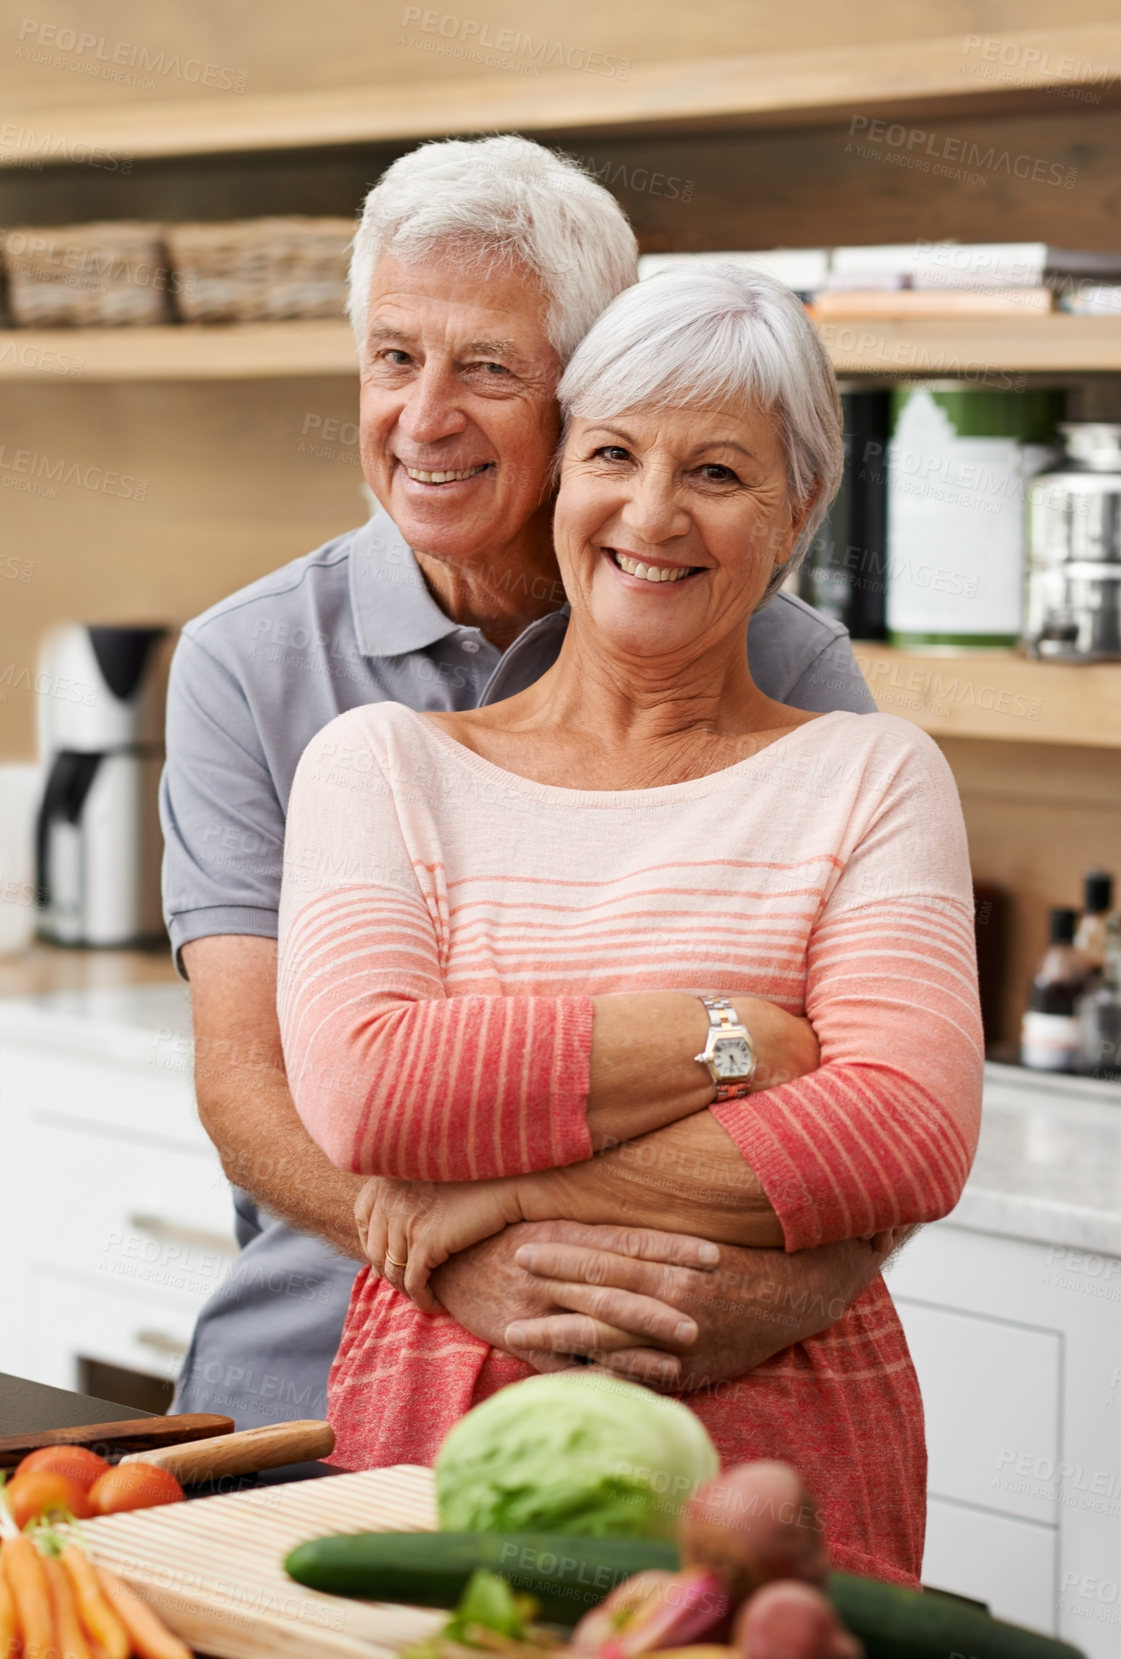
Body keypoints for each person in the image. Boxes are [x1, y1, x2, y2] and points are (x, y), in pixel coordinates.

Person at [162, 135, 887, 1437]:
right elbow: (248, 1086)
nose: (423, 418)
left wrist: (788, 1299)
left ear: (586, 387)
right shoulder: (249, 662)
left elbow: (876, 1109)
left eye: (488, 368)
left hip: (674, 1391)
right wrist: (463, 1263)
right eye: (395, 357)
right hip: (308, 1387)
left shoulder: (785, 666)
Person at [276, 264, 984, 1585]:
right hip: (449, 1444)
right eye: (613, 453)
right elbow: (372, 1094)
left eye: (718, 472)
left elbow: (906, 1127)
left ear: (800, 510)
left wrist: (500, 1187)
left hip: (788, 1481)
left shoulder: (872, 776)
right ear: (563, 479)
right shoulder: (380, 769)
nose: (653, 514)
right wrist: (734, 1042)